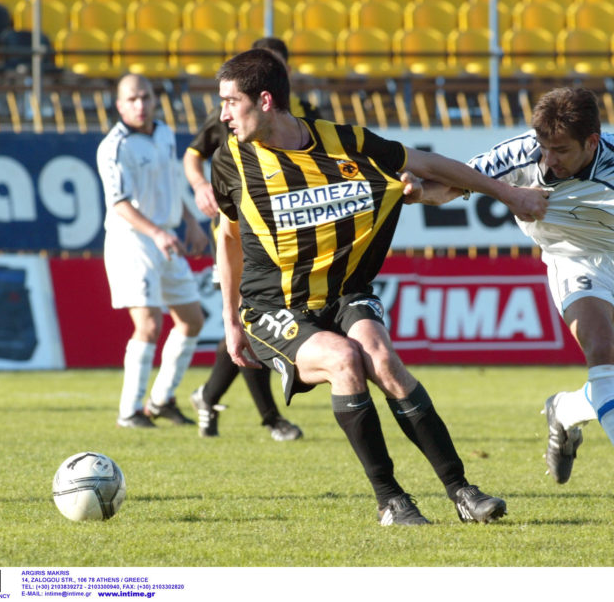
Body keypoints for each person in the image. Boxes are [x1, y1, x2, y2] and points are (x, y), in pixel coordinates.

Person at [209, 48, 549, 525]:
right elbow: (228, 238)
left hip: (345, 290)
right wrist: (230, 320)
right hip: (274, 306)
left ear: (264, 101)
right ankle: (390, 500)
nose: (223, 115)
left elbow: (428, 165)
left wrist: (509, 195)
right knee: (344, 360)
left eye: (230, 102)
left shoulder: (343, 141)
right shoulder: (230, 162)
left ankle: (462, 492)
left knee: (383, 360)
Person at [425, 87, 614, 517]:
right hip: (572, 262)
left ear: (592, 142)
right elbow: (454, 183)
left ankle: (564, 410)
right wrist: (418, 191)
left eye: (561, 150)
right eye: (544, 147)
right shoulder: (521, 154)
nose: (549, 159)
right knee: (602, 354)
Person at [182, 37, 314, 441]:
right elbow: (193, 154)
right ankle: (271, 418)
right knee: (249, 320)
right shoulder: (232, 109)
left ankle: (208, 396)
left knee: (252, 325)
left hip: (286, 236)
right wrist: (200, 186)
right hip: (240, 234)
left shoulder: (305, 114)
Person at [97, 73, 207, 429]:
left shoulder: (163, 133)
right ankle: (129, 411)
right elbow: (119, 203)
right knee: (148, 325)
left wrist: (190, 220)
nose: (140, 105)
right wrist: (157, 233)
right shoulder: (115, 147)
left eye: (145, 97)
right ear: (120, 106)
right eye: (132, 99)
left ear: (155, 99)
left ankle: (160, 400)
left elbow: (171, 182)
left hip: (166, 236)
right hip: (133, 240)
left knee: (192, 320)